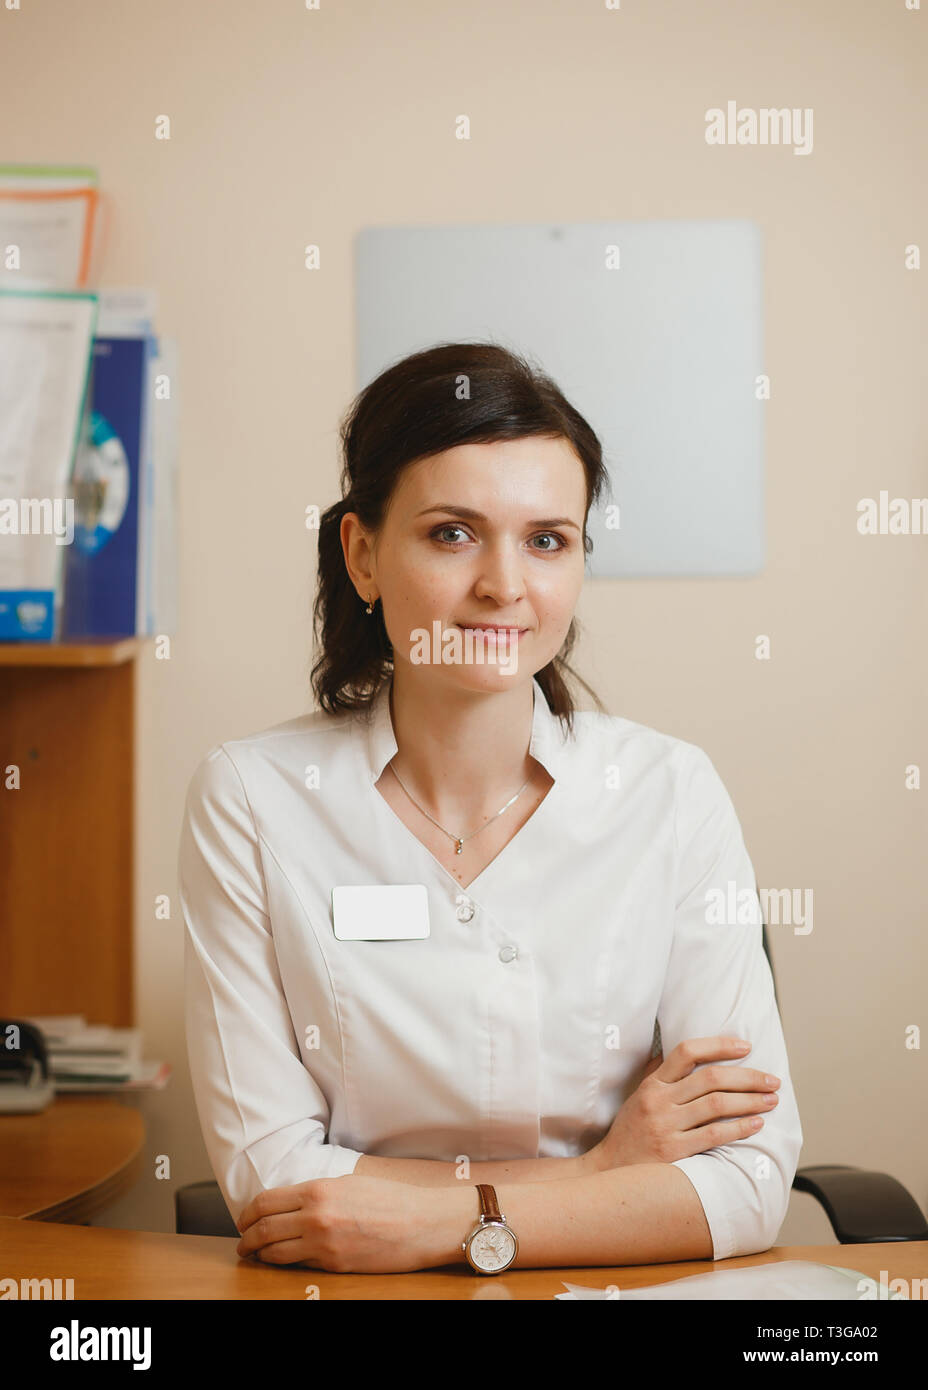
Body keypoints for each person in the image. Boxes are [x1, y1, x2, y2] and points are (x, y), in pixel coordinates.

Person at [178, 341, 802, 1274]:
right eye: (452, 532)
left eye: (547, 540)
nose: (504, 586)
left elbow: (751, 1181)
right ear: (362, 555)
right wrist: (605, 1171)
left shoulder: (671, 795)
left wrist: (454, 1223)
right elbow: (276, 1185)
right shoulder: (254, 799)